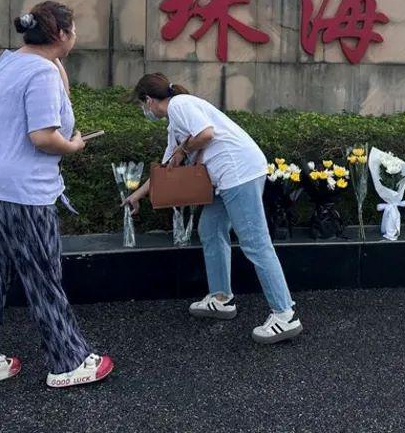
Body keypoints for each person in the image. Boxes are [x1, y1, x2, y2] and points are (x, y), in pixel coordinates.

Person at [0, 1, 114, 391]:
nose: (77, 36)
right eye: (73, 30)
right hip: (24, 196)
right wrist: (72, 147)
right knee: (43, 279)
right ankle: (68, 362)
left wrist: (57, 58)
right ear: (62, 34)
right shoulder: (41, 72)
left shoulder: (12, 62)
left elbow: (59, 96)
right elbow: (42, 137)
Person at [124, 73, 303, 344]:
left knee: (255, 243)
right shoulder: (175, 121)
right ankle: (221, 299)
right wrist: (135, 196)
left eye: (142, 105)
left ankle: (284, 314)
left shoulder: (180, 105)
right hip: (226, 178)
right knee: (210, 228)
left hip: (238, 173)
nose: (144, 111)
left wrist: (184, 150)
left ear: (148, 100)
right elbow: (165, 169)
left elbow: (206, 134)